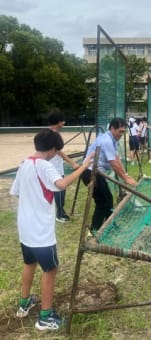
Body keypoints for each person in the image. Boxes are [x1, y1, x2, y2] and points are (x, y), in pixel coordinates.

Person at [10, 129, 94, 331]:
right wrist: (83, 167)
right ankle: (45, 317)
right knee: (50, 269)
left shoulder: (25, 163)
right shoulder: (44, 166)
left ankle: (24, 303)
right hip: (41, 232)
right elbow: (62, 184)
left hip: (26, 228)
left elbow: (16, 192)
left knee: (29, 263)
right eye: (57, 151)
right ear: (53, 149)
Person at [81, 117, 137, 233]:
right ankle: (94, 230)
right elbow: (113, 164)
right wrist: (125, 179)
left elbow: (116, 159)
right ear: (112, 128)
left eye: (123, 132)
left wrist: (125, 174)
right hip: (91, 173)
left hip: (97, 173)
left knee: (108, 199)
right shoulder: (106, 141)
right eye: (120, 131)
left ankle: (109, 225)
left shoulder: (112, 140)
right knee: (102, 202)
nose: (122, 134)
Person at [48, 111, 80, 223]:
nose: (64, 123)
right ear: (58, 122)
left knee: (57, 189)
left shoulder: (50, 132)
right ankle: (59, 214)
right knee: (60, 189)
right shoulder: (53, 134)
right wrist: (72, 163)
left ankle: (59, 211)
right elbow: (58, 151)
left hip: (54, 165)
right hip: (54, 166)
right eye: (63, 121)